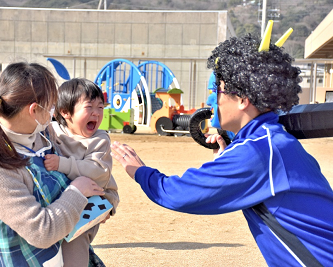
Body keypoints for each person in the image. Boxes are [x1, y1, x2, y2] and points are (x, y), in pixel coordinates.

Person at [110, 34, 333, 266]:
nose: (212, 99)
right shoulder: (270, 140)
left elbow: (179, 194)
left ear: (243, 99)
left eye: (218, 89)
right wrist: (227, 156)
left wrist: (140, 171)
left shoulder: (258, 152)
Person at [0, 62, 105, 266]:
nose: (53, 113)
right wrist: (77, 193)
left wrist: (94, 207)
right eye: (51, 105)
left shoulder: (43, 134)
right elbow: (41, 231)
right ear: (34, 110)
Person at [44, 78, 119, 266]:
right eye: (89, 107)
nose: (96, 113)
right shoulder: (51, 131)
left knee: (74, 241)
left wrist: (63, 164)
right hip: (62, 199)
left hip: (94, 201)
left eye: (100, 108)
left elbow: (97, 172)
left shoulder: (100, 139)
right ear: (65, 112)